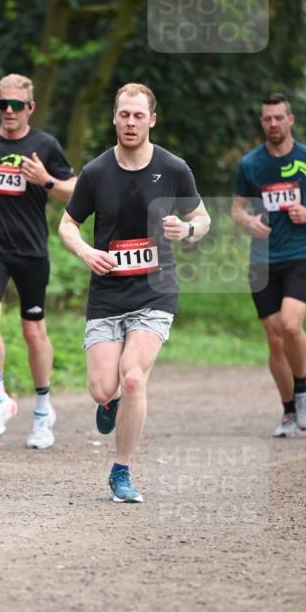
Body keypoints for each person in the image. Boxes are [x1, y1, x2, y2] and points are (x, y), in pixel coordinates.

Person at [59, 83, 210, 503]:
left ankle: (121, 472)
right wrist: (87, 252)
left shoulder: (174, 168)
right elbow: (67, 224)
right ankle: (108, 404)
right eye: (124, 114)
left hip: (154, 291)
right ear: (114, 117)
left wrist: (189, 229)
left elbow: (202, 218)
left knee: (133, 378)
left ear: (151, 120)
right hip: (107, 294)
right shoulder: (95, 172)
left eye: (138, 115)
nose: (130, 122)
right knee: (103, 389)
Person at [0, 73, 76, 448]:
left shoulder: (45, 144)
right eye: (2, 105)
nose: (8, 111)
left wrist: (44, 179)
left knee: (32, 331)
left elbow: (72, 191)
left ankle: (43, 410)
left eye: (16, 105)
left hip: (30, 250)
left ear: (30, 108)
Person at [232, 92, 306, 437]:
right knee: (275, 339)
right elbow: (237, 209)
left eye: (279, 117)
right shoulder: (250, 165)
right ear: (262, 122)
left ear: (290, 119)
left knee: (291, 326)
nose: (273, 124)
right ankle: (289, 411)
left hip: (300, 253)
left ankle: (303, 388)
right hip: (262, 260)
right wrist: (249, 222)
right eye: (267, 118)